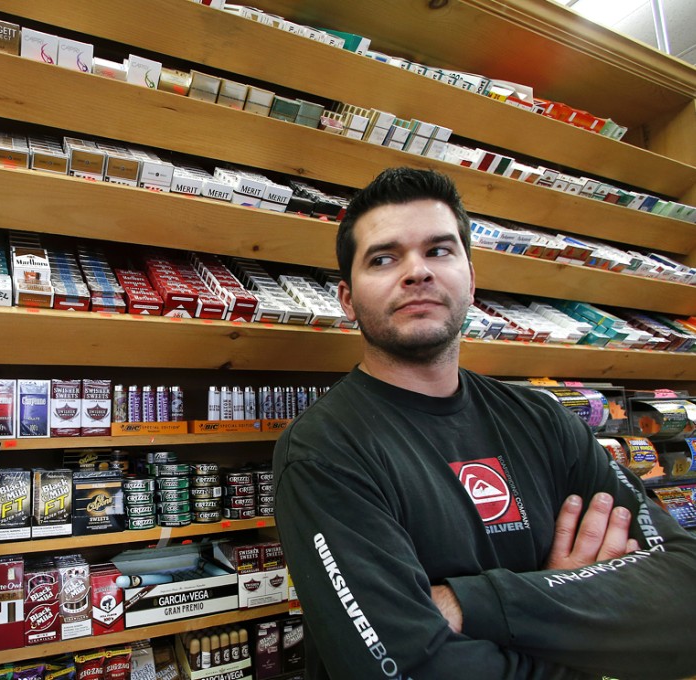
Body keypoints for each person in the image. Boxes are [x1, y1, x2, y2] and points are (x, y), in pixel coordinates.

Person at [272, 167, 696, 679]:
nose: (417, 272)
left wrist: (470, 602)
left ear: (471, 282)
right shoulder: (325, 449)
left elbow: (685, 583)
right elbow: (401, 668)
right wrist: (580, 619)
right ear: (347, 301)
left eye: (439, 251)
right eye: (384, 258)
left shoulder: (544, 419)